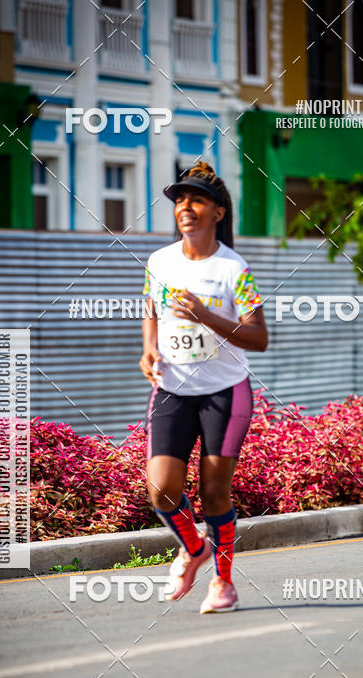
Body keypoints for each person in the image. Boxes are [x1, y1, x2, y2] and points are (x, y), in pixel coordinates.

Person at [139, 161, 268, 613]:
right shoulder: (159, 262)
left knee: (214, 492)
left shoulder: (235, 269)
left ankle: (224, 583)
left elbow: (259, 337)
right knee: (161, 488)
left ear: (218, 211)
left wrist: (206, 316)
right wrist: (149, 350)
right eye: (179, 200)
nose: (185, 207)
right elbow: (151, 311)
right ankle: (195, 548)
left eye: (195, 200)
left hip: (224, 392)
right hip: (172, 388)